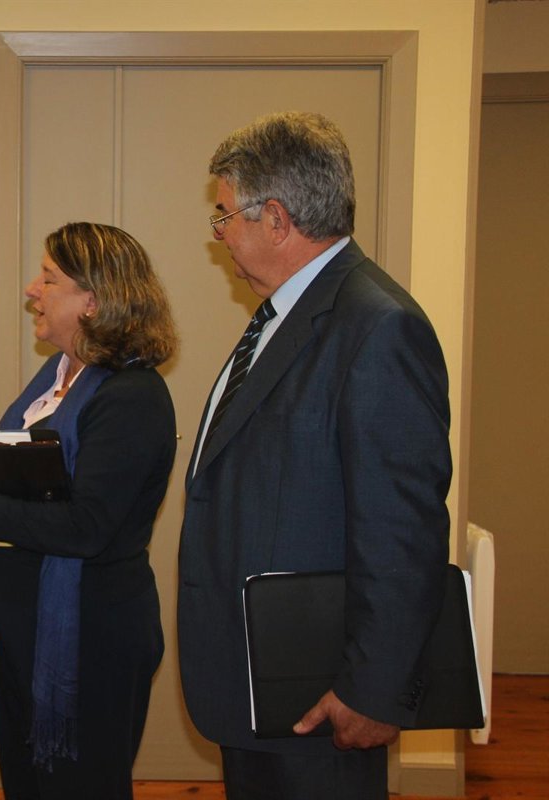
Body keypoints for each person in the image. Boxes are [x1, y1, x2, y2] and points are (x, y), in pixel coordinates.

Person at [178, 111, 451, 800]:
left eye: (224, 215)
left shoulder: (378, 326)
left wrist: (374, 689)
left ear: (275, 219)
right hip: (261, 686)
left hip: (321, 698)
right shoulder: (283, 315)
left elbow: (402, 531)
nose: (219, 234)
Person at [0, 222, 178, 799]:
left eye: (48, 279)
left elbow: (86, 527)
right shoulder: (59, 376)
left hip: (90, 638)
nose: (32, 290)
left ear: (92, 301)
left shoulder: (131, 396)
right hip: (29, 629)